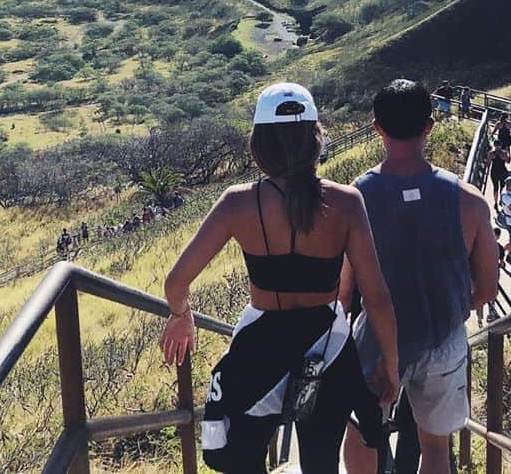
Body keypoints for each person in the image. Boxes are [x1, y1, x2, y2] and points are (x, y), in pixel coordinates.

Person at [160, 83, 399, 474]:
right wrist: (391, 364)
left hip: (259, 346)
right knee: (321, 462)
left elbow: (176, 281)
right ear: (315, 139)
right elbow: (376, 297)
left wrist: (181, 315)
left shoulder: (237, 203)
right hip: (329, 347)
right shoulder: (345, 202)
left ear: (259, 144)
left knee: (245, 459)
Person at [341, 79, 498, 474]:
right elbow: (489, 287)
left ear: (377, 128)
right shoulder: (471, 202)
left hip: (374, 340)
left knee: (362, 432)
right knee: (436, 449)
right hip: (443, 337)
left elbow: (343, 292)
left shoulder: (354, 200)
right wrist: (455, 305)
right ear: (430, 126)